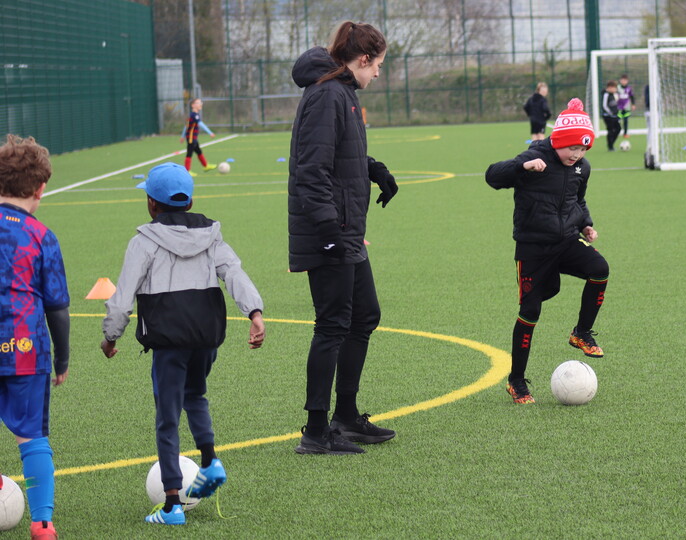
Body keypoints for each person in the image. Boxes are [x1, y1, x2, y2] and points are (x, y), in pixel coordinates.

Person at [101, 162, 265, 525]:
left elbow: (123, 295)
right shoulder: (212, 236)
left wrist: (111, 336)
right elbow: (234, 273)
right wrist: (254, 312)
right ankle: (210, 462)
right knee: (196, 395)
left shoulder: (144, 241)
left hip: (169, 340)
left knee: (167, 417)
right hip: (206, 337)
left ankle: (172, 505)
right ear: (190, 202)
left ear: (151, 204)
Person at [288, 21, 398, 455]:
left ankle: (346, 416)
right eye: (379, 65)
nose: (379, 74)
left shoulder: (342, 93)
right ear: (364, 59)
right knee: (332, 324)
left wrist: (375, 170)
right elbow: (310, 171)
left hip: (345, 229)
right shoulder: (327, 94)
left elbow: (340, 153)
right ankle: (316, 431)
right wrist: (329, 232)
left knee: (364, 315)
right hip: (329, 231)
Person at [485, 98, 609, 404]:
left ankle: (582, 332)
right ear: (559, 142)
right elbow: (492, 175)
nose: (577, 155)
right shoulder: (534, 157)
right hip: (533, 248)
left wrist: (586, 225)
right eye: (572, 149)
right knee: (530, 311)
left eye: (583, 150)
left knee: (600, 269)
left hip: (566, 241)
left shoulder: (582, 167)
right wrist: (521, 166)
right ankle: (516, 381)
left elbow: (577, 200)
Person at [0, 135, 69, 540]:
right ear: (41, 187)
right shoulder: (41, 235)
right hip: (25, 349)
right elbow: (57, 307)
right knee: (32, 436)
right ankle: (42, 522)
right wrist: (62, 357)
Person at [179, 98, 217, 177]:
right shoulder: (194, 115)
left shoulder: (193, 115)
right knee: (189, 153)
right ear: (193, 105)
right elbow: (201, 124)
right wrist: (210, 132)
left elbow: (186, 126)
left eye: (201, 103)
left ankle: (205, 166)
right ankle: (187, 171)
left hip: (193, 138)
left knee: (199, 151)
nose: (200, 104)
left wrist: (182, 136)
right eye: (198, 103)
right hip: (191, 138)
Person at [601, 80, 621, 151]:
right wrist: (611, 113)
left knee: (618, 128)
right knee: (610, 130)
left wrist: (617, 113)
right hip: (607, 116)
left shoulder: (615, 94)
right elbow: (604, 106)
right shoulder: (606, 94)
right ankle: (610, 146)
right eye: (614, 88)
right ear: (609, 87)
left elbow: (617, 105)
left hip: (615, 116)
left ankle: (611, 144)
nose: (615, 89)